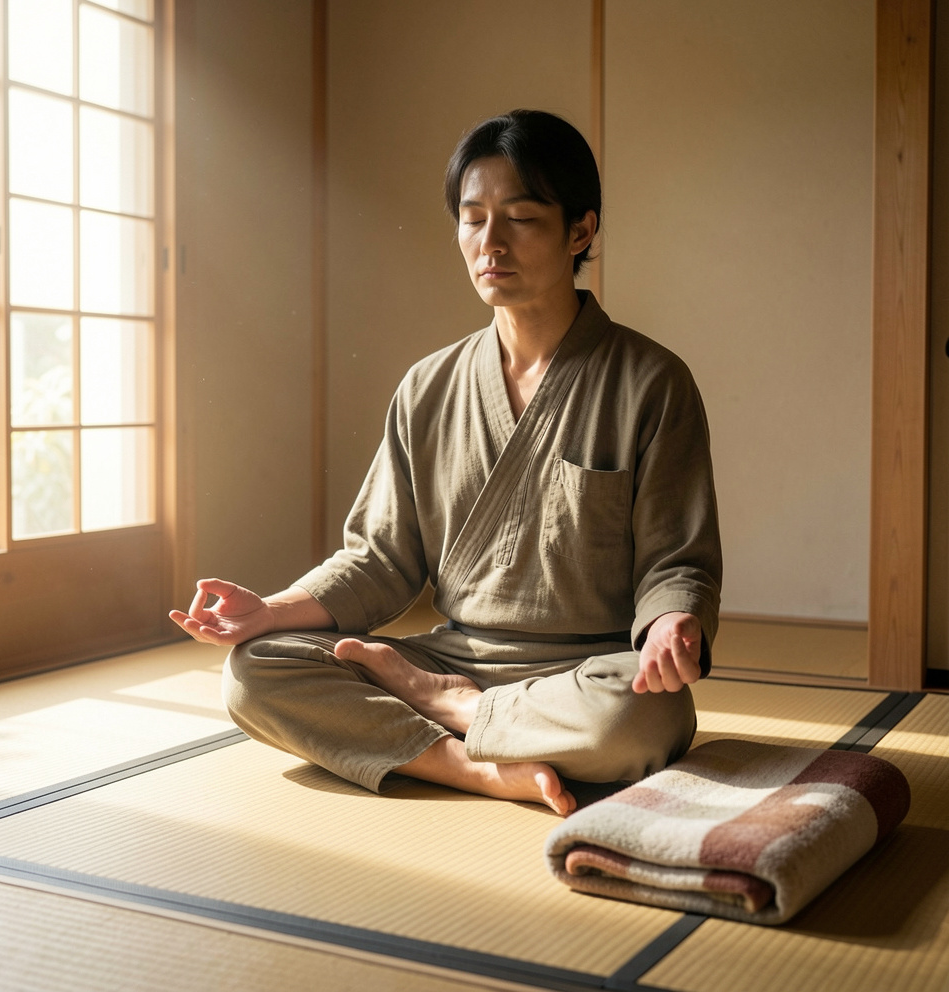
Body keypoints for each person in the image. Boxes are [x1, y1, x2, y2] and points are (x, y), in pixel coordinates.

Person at [170, 109, 722, 817]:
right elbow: (379, 560)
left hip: (586, 672)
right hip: (456, 654)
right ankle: (473, 765)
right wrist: (269, 610)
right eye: (472, 218)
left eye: (520, 218)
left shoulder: (650, 381)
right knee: (253, 672)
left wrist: (674, 623)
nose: (490, 242)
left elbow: (677, 561)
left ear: (580, 231)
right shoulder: (428, 387)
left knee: (646, 718)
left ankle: (453, 713)